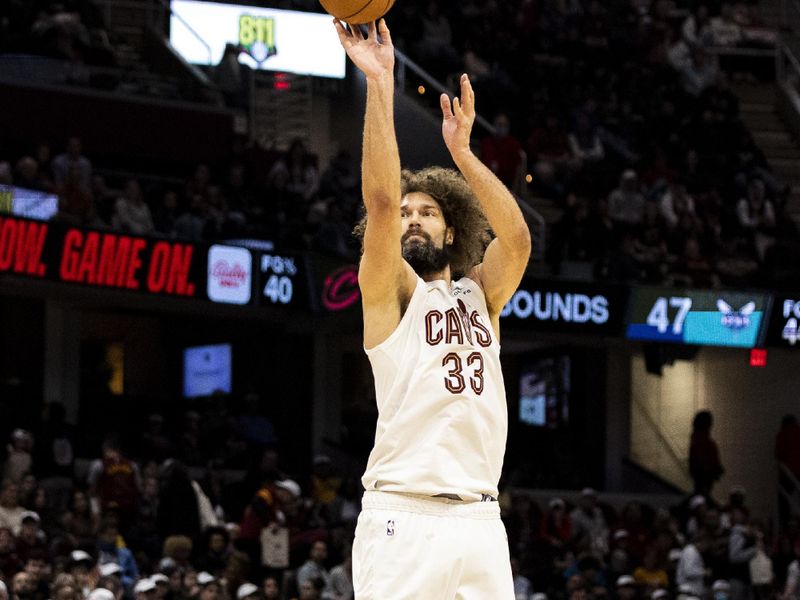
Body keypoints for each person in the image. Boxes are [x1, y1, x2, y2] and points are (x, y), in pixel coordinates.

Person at [333, 18, 531, 599]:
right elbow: (380, 199)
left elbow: (517, 240)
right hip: (403, 514)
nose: (413, 218)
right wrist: (380, 82)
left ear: (452, 231)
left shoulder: (481, 295)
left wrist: (463, 154)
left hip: (480, 519)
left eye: (429, 212)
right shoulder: (389, 291)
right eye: (408, 213)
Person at [689, 411, 724, 498]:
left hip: (704, 475)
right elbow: (701, 459)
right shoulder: (702, 441)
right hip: (704, 476)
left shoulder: (698, 440)